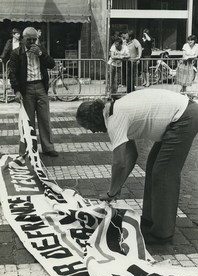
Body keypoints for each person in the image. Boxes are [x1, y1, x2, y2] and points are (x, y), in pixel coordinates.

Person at [76, 89, 198, 245]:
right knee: (153, 166)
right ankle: (149, 219)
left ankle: (162, 233)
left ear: (94, 120)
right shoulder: (115, 109)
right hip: (179, 114)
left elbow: (119, 163)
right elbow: (131, 155)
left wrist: (111, 192)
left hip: (183, 117)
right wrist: (117, 186)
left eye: (90, 128)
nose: (93, 132)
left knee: (163, 174)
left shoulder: (114, 119)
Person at [9, 27, 58, 157]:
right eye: (28, 39)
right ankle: (28, 149)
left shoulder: (40, 49)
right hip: (27, 89)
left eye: (34, 39)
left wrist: (41, 54)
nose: (31, 42)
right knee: (28, 120)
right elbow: (12, 73)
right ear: (23, 39)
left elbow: (51, 64)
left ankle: (48, 147)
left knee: (45, 119)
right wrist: (17, 91)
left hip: (41, 86)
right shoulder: (16, 53)